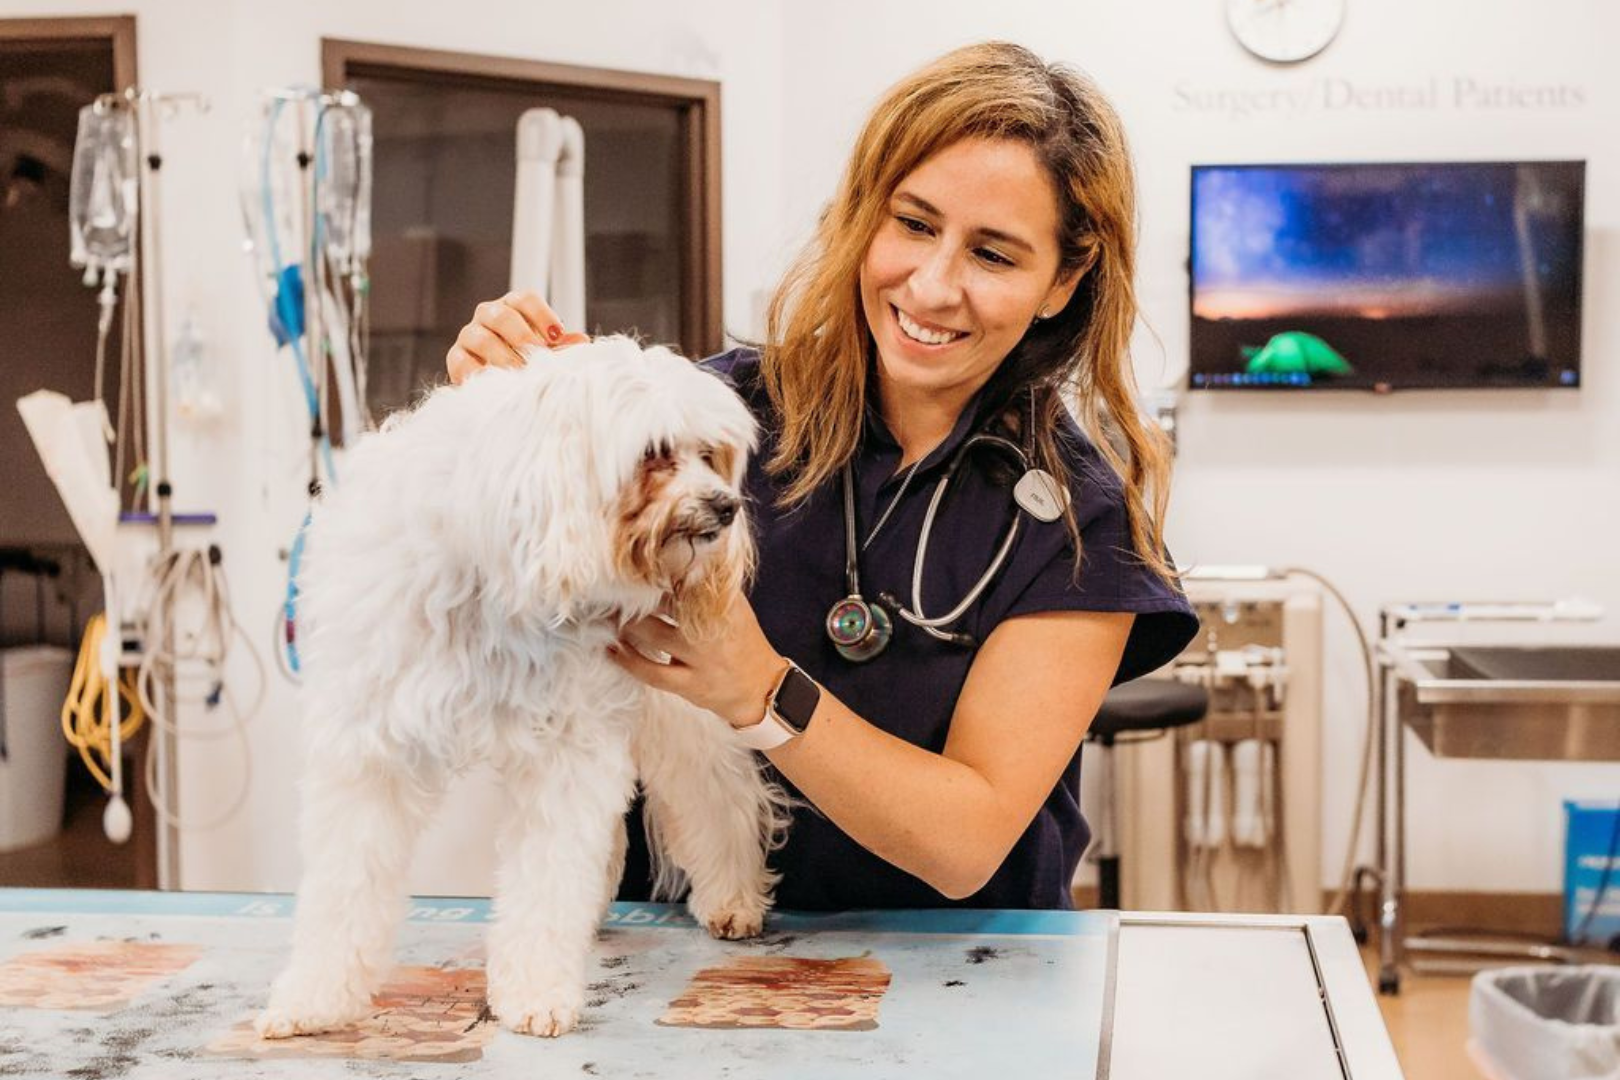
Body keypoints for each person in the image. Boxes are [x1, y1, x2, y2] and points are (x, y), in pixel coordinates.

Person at [445, 41, 1198, 911]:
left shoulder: (1082, 524)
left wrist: (759, 688)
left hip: (961, 980)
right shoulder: (712, 419)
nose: (933, 285)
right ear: (865, 217)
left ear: (1063, 280)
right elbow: (519, 591)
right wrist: (501, 427)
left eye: (993, 255)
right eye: (913, 224)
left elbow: (967, 843)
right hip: (679, 957)